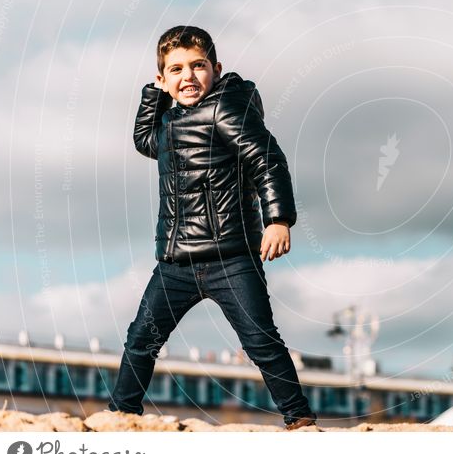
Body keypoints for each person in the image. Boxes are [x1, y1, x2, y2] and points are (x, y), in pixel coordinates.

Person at [107, 25, 317, 430]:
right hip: (176, 261)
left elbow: (267, 160)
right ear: (164, 79)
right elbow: (144, 141)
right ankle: (122, 416)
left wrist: (277, 219)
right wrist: (152, 96)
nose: (188, 76)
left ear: (216, 69)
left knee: (261, 342)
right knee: (141, 340)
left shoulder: (226, 110)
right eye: (176, 70)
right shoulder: (169, 123)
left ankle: (300, 417)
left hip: (231, 256)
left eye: (198, 66)